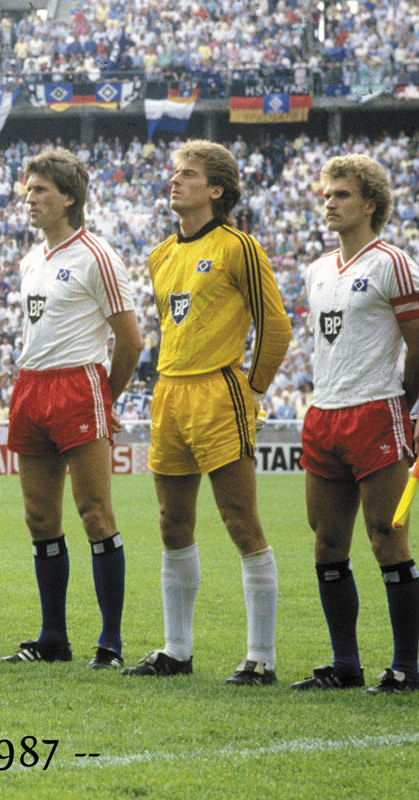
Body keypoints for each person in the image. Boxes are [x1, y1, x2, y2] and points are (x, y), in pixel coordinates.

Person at [121, 140, 292, 685]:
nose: (175, 181)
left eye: (188, 175)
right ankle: (177, 650)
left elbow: (276, 327)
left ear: (216, 189)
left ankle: (260, 659)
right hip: (169, 392)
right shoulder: (159, 255)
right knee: (173, 523)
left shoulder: (239, 247)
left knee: (241, 522)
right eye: (175, 173)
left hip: (220, 393)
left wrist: (253, 388)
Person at [0, 149, 142, 668]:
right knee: (40, 518)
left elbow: (130, 341)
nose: (29, 198)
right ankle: (53, 639)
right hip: (31, 386)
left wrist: (106, 396)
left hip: (79, 385)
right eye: (28, 189)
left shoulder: (97, 256)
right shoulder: (30, 259)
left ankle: (109, 643)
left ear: (69, 198)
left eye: (40, 190)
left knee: (95, 512)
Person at [291, 154, 419, 695]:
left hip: (376, 410)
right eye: (326, 194)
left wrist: (407, 405)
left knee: (387, 539)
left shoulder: (393, 262)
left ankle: (408, 667)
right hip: (323, 414)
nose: (330, 203)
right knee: (326, 544)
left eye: (341, 195)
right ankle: (346, 665)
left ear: (369, 204)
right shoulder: (316, 271)